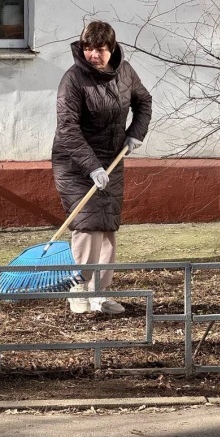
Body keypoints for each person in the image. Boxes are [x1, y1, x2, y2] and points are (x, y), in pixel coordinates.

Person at [51, 20, 152, 314]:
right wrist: (91, 166)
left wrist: (135, 132)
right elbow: (68, 128)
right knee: (88, 224)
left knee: (107, 227)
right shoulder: (73, 80)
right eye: (88, 48)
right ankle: (78, 289)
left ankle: (100, 293)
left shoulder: (125, 73)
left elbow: (144, 101)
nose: (93, 55)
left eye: (99, 49)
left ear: (112, 48)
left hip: (112, 160)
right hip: (75, 162)